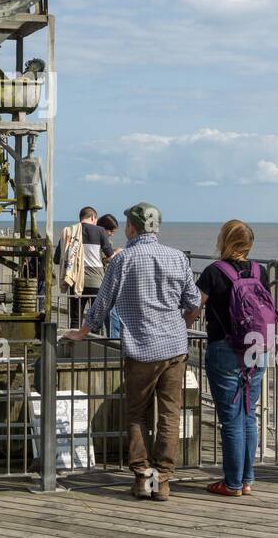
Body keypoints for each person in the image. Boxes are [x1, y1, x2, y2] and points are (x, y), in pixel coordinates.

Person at [67, 201, 201, 502]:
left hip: (141, 348)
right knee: (170, 414)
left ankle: (142, 478)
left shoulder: (122, 260)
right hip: (175, 347)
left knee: (138, 413)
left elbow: (101, 304)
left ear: (132, 227)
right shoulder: (177, 258)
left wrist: (81, 332)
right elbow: (193, 303)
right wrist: (180, 325)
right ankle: (162, 481)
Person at [196, 220, 277, 499]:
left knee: (231, 419)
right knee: (248, 415)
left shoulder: (213, 272)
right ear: (249, 243)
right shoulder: (259, 271)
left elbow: (194, 308)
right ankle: (246, 479)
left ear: (224, 240)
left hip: (225, 349)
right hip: (257, 349)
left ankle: (231, 483)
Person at [54, 206, 114, 328]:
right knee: (96, 320)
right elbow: (110, 255)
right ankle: (94, 344)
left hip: (75, 281)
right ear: (93, 217)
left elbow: (56, 259)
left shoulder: (68, 232)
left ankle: (74, 345)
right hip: (96, 282)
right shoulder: (100, 231)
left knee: (76, 318)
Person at [96, 214, 122, 339]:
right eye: (110, 231)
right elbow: (100, 260)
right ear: (103, 228)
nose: (112, 234)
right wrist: (115, 254)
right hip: (102, 282)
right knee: (112, 315)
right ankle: (114, 343)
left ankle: (112, 340)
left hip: (102, 281)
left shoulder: (98, 238)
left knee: (109, 315)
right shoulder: (99, 240)